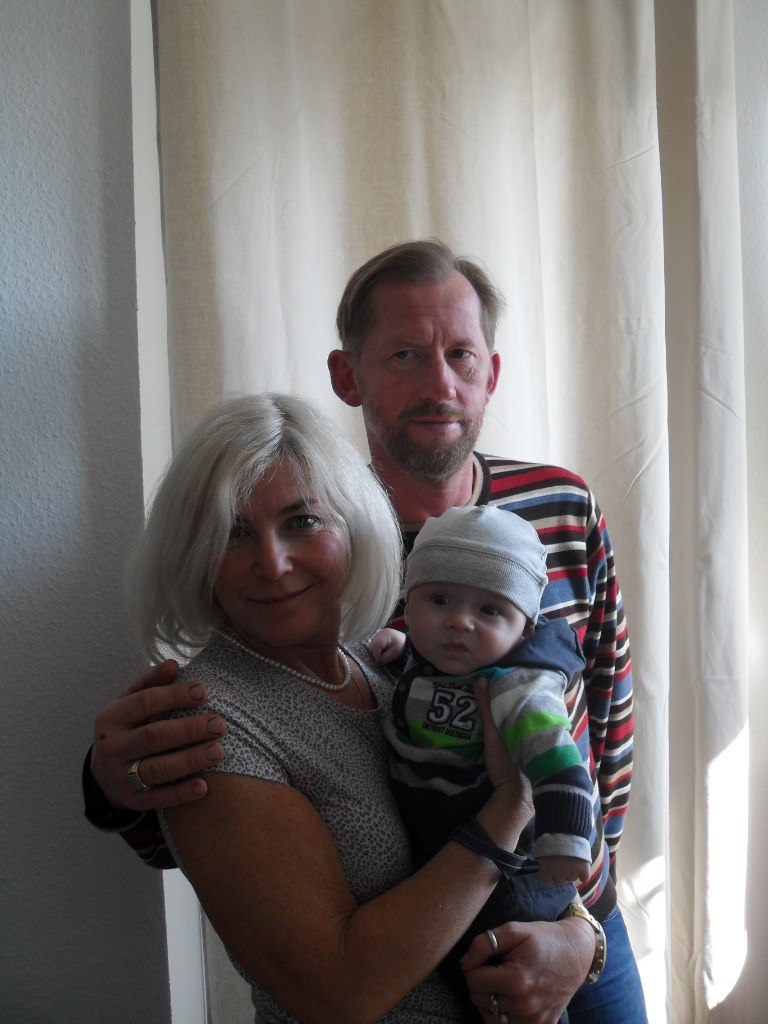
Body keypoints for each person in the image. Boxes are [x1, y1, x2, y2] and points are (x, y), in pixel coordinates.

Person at [84, 239, 646, 1023]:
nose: (439, 384)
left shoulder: (562, 504)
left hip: (581, 926)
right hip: (443, 950)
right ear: (348, 376)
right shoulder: (329, 572)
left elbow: (607, 714)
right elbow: (249, 836)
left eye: (460, 354)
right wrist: (116, 792)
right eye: (405, 355)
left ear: (491, 371)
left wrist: (583, 916)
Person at [122, 391, 533, 1023]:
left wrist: (577, 933)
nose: (272, 564)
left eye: (302, 522)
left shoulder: (382, 657)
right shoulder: (207, 720)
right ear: (196, 555)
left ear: (354, 524)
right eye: (234, 533)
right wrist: (510, 810)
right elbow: (337, 991)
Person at [372, 505, 592, 1020]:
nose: (458, 622)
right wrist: (403, 650)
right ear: (409, 602)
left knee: (505, 991)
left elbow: (559, 761)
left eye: (490, 610)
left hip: (509, 880)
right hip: (452, 859)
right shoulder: (437, 659)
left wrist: (565, 838)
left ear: (524, 630)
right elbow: (434, 683)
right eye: (439, 599)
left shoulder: (519, 688)